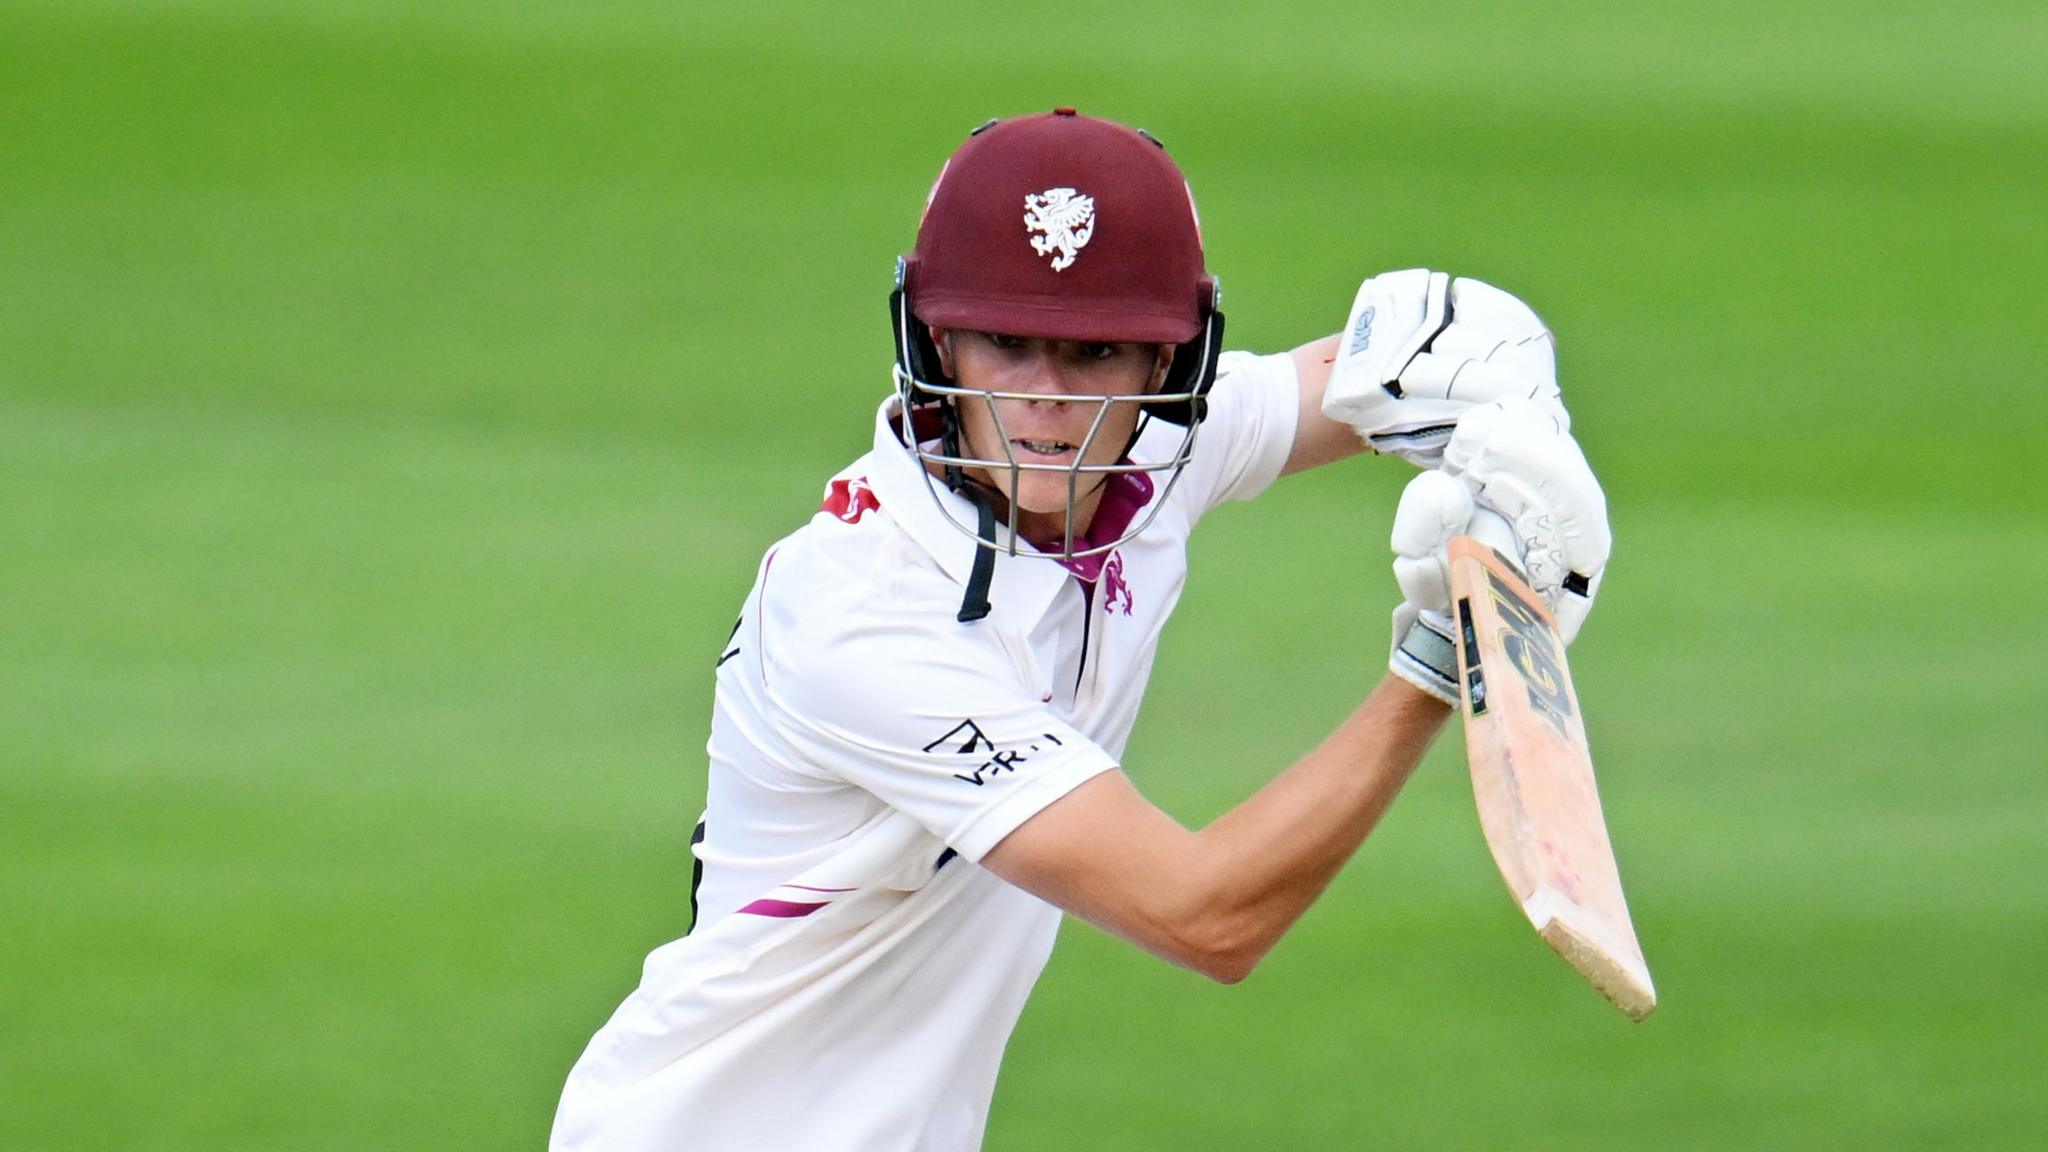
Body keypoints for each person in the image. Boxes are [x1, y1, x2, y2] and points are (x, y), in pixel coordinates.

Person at [550, 107, 1611, 1152]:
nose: (1043, 403)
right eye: (1005, 344)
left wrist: (1519, 436)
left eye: (1094, 351)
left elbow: (1433, 353)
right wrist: (1447, 649)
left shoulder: (1153, 460)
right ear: (937, 339)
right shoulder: (862, 618)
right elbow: (1207, 917)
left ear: (1165, 367)